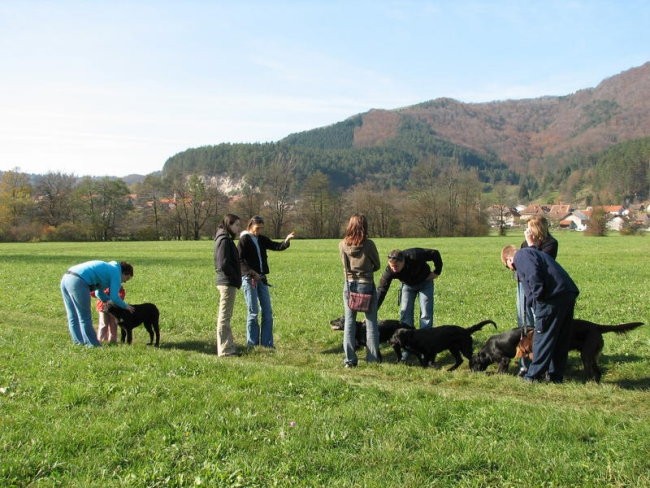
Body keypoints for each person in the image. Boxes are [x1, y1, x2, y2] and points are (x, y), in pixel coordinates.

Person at [501, 244, 579, 383]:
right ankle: (555, 376)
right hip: (567, 294)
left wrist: (537, 299)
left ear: (509, 259)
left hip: (551, 299)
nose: (513, 270)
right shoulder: (533, 253)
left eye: (509, 268)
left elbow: (533, 275)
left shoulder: (521, 256)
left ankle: (533, 376)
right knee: (560, 338)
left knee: (542, 338)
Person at [238, 215, 295, 348]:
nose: (259, 231)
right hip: (249, 279)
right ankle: (251, 344)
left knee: (268, 312)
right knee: (253, 312)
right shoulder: (244, 239)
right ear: (250, 226)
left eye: (261, 228)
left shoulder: (261, 239)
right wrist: (252, 272)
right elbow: (239, 260)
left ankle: (267, 344)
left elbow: (276, 246)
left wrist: (286, 240)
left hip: (262, 279)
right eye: (257, 228)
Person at [515, 216, 559, 375]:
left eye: (530, 227)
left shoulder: (551, 244)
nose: (527, 231)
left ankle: (543, 365)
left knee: (540, 326)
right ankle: (524, 363)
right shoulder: (524, 244)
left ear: (538, 228)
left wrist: (531, 244)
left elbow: (539, 264)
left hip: (540, 289)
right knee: (524, 323)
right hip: (524, 286)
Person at [339, 213, 381, 367]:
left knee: (349, 323)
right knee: (371, 323)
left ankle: (349, 360)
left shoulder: (342, 244)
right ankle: (372, 359)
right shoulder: (369, 244)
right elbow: (377, 264)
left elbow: (344, 266)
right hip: (366, 284)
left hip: (349, 285)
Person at [60, 261, 135, 347]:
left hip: (66, 278)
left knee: (72, 315)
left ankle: (78, 343)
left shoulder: (108, 269)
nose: (124, 282)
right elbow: (114, 297)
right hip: (79, 281)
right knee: (85, 317)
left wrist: (107, 301)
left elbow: (98, 293)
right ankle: (93, 345)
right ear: (125, 273)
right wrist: (125, 306)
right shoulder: (116, 273)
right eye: (127, 279)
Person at [376, 248, 443, 330]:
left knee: (426, 312)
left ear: (403, 261)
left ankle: (425, 336)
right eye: (391, 266)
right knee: (405, 312)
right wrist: (373, 311)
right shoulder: (390, 271)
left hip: (425, 283)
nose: (394, 269)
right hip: (408, 286)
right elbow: (381, 290)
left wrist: (437, 272)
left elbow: (434, 253)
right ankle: (407, 335)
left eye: (396, 266)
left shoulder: (415, 255)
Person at [214, 214, 242, 357]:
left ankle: (228, 347)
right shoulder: (224, 240)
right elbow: (223, 263)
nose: (238, 228)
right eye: (236, 225)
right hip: (227, 282)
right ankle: (225, 351)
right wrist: (235, 277)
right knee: (224, 317)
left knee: (226, 316)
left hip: (227, 281)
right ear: (228, 225)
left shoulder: (224, 238)